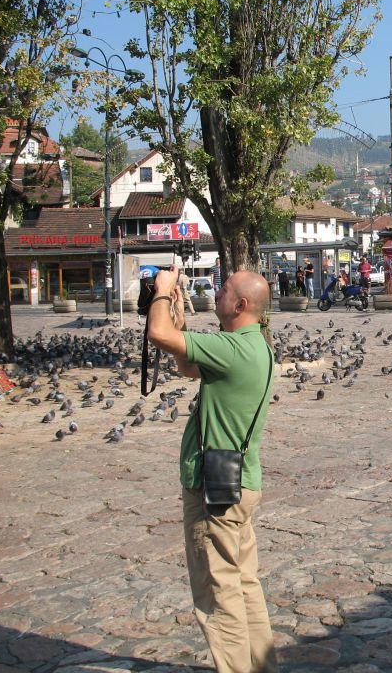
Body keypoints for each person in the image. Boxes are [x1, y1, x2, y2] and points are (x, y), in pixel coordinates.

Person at [146, 267, 278, 673]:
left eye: (223, 289)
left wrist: (162, 292)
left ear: (239, 304)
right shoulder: (253, 346)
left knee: (218, 596)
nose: (216, 292)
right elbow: (188, 367)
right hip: (240, 484)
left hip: (215, 492)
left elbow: (158, 336)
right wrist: (177, 311)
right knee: (243, 585)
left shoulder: (233, 348)